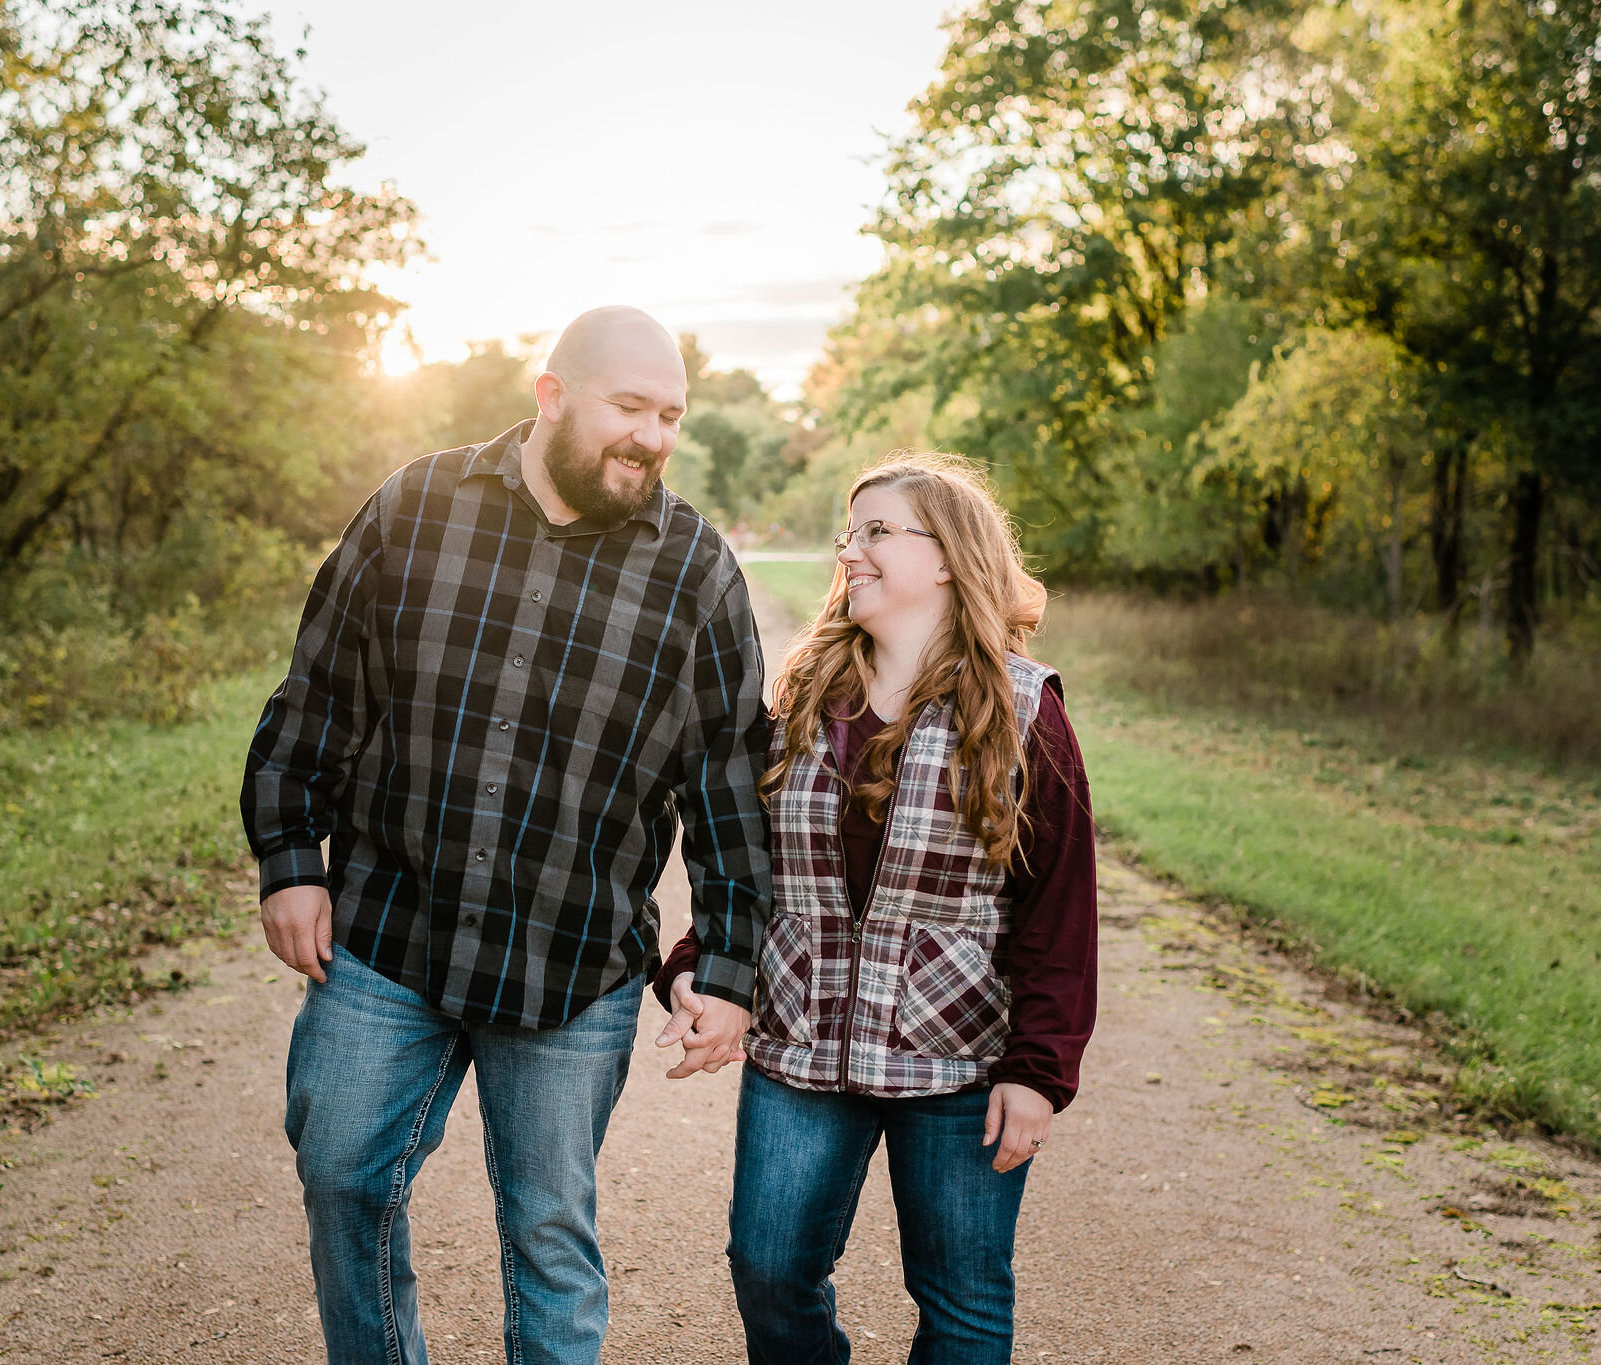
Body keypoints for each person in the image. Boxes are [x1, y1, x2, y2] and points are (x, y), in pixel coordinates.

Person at [242, 305, 769, 1365]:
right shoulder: (415, 508)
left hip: (570, 964)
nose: (652, 438)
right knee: (342, 1175)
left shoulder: (696, 574)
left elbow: (727, 786)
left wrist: (727, 964)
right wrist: (290, 860)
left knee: (547, 1234)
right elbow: (320, 699)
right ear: (551, 395)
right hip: (389, 933)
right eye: (629, 408)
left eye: (670, 415)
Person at [655, 452, 1098, 1365]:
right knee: (768, 1267)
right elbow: (750, 857)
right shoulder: (803, 697)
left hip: (960, 1058)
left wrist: (1040, 1069)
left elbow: (1060, 911)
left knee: (965, 1301)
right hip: (802, 1043)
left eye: (877, 532)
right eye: (848, 533)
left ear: (947, 557)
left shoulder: (1023, 711)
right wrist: (704, 957)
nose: (849, 550)